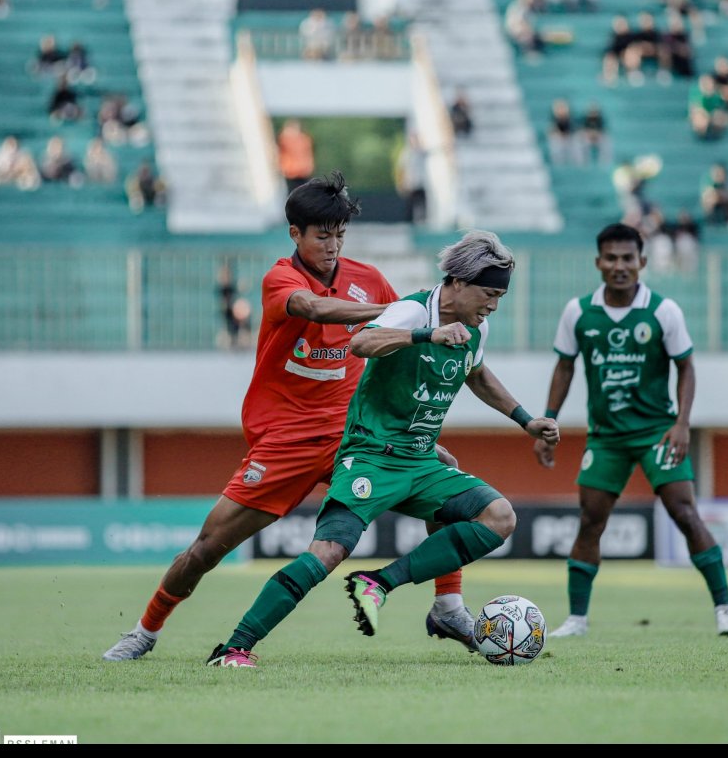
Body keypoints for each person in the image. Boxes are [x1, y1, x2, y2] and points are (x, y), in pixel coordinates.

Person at [103, 173, 479, 662]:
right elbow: (314, 308)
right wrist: (394, 311)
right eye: (322, 235)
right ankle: (145, 631)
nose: (332, 244)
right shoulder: (281, 279)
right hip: (287, 440)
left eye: (340, 234)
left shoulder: (368, 278)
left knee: (444, 477)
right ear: (295, 234)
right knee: (206, 548)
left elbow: (399, 343)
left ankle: (448, 604)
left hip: (357, 433)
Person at [206, 229, 561, 667]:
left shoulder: (475, 328)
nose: (493, 305)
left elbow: (478, 373)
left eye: (499, 296)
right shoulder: (411, 311)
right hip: (371, 456)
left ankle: (380, 583)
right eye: (488, 293)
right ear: (458, 282)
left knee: (499, 516)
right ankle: (236, 648)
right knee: (329, 552)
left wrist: (527, 420)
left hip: (422, 461)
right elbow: (361, 342)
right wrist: (425, 336)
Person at [534, 223, 728, 640]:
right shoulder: (578, 312)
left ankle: (725, 609)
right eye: (611, 258)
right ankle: (577, 619)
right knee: (591, 520)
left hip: (656, 432)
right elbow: (564, 367)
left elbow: (686, 367)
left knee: (684, 512)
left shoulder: (663, 311)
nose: (619, 266)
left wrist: (682, 424)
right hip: (607, 437)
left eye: (628, 258)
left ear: (642, 262)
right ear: (598, 262)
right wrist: (547, 421)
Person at [276, 119, 315, 194]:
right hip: (302, 171)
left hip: (291, 172)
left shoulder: (288, 139)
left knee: (292, 194)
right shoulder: (305, 139)